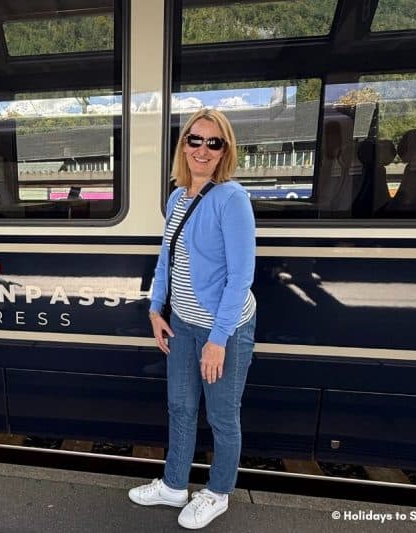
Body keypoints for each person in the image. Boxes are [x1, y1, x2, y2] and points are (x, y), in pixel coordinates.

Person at [128, 108, 256, 530]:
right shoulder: (177, 196)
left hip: (225, 328)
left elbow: (241, 276)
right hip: (182, 322)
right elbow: (167, 257)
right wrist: (154, 308)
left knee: (222, 415)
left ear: (225, 151)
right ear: (183, 145)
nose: (203, 149)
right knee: (181, 406)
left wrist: (218, 339)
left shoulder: (231, 199)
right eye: (195, 140)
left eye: (213, 142)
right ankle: (173, 485)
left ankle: (218, 492)